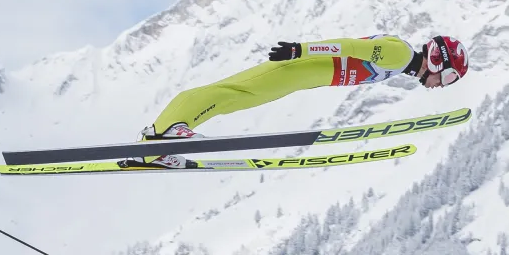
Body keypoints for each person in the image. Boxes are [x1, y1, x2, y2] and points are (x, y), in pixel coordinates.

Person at [134, 34, 469, 167]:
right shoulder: (399, 54)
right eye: (449, 77)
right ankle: (167, 133)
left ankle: (155, 145)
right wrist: (300, 50)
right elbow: (350, 46)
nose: (443, 85)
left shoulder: (400, 63)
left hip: (301, 78)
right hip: (296, 70)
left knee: (232, 98)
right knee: (230, 93)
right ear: (436, 59)